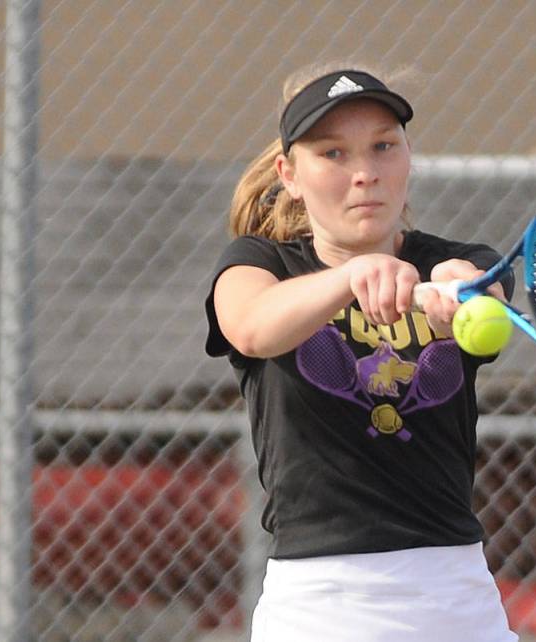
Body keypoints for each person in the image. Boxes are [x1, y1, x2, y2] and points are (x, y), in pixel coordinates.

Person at [205, 64, 517, 642]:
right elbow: (251, 327)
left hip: (458, 597)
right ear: (289, 175)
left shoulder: (458, 258)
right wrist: (352, 277)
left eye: (383, 147)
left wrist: (465, 286)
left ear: (409, 156)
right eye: (333, 154)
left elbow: (489, 293)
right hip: (323, 604)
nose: (366, 174)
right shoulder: (259, 266)